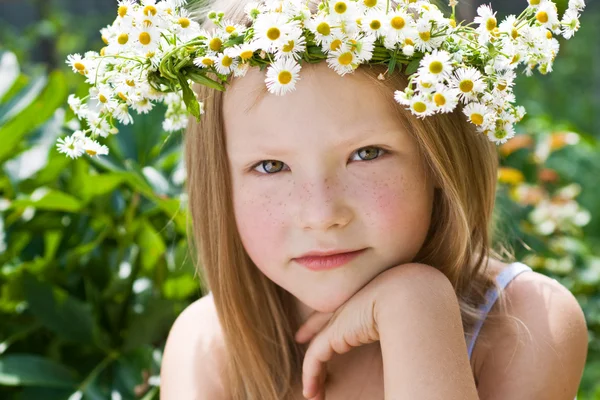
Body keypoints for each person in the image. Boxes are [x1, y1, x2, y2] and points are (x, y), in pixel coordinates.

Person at [58, 0, 589, 398]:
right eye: (270, 166)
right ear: (222, 184)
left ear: (437, 160)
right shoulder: (209, 345)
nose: (320, 214)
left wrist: (416, 307)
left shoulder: (527, 323)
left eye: (367, 154)